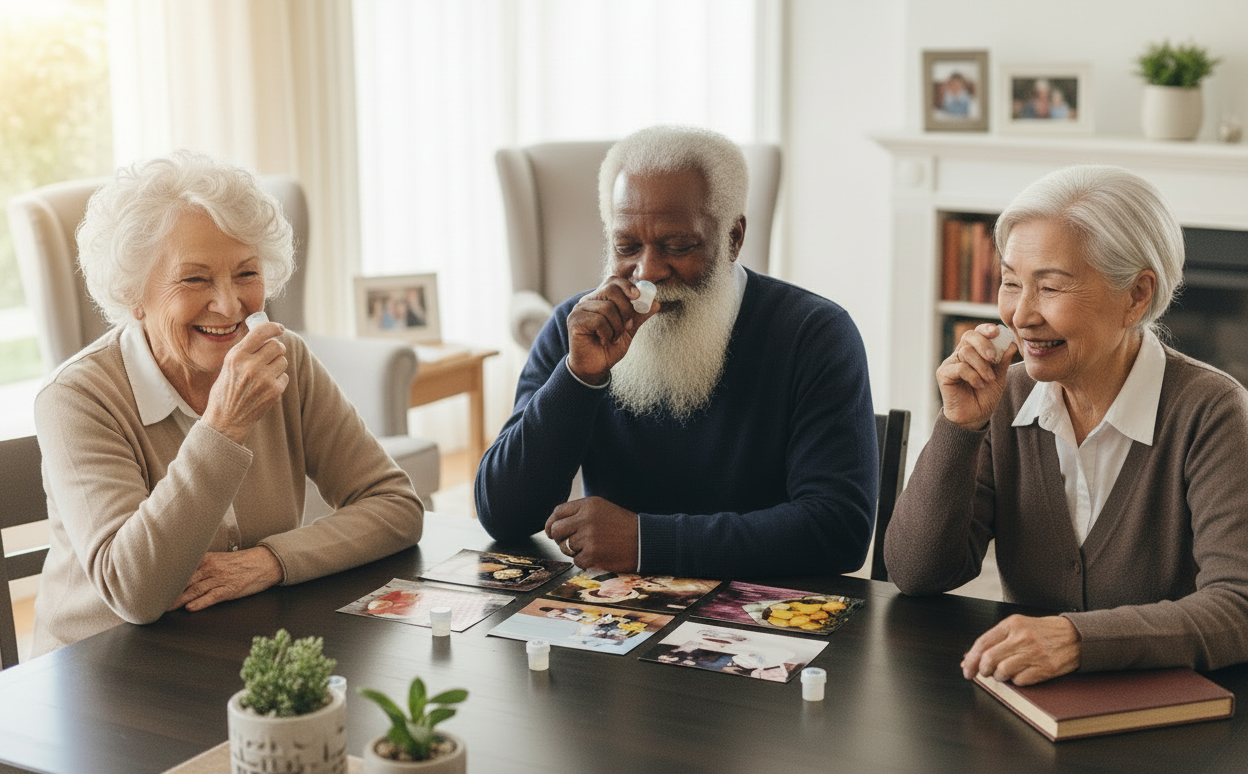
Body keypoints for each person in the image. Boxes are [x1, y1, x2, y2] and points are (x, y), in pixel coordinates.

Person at [31, 150, 425, 655]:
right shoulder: (76, 398)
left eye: (246, 273)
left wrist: (269, 561)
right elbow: (134, 591)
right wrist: (222, 427)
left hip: (234, 647)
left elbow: (395, 506)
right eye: (194, 279)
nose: (229, 304)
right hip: (100, 669)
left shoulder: (284, 359)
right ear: (134, 294)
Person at [884, 164, 1248, 686]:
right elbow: (918, 574)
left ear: (1137, 296)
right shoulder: (1005, 397)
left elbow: (1238, 605)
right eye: (1010, 282)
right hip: (1032, 709)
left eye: (1050, 287)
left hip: (1175, 725)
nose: (1021, 314)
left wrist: (1078, 639)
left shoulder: (1212, 411)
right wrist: (958, 429)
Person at [475, 125, 877, 577]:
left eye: (678, 246)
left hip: (765, 616)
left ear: (733, 238)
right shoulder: (578, 328)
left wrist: (648, 542)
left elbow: (839, 529)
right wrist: (578, 378)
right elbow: (503, 515)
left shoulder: (816, 334)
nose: (647, 272)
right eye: (626, 246)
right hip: (612, 617)